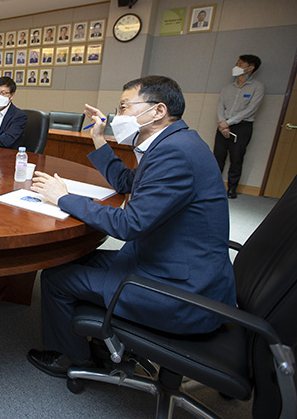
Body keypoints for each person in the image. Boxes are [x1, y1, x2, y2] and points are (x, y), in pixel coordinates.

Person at [26, 75, 235, 377]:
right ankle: (96, 338)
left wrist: (64, 199)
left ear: (158, 111)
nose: (117, 116)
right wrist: (99, 139)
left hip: (180, 289)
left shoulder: (174, 153)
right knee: (68, 261)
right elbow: (127, 182)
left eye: (124, 107)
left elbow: (129, 224)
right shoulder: (176, 142)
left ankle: (73, 359)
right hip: (169, 261)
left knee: (56, 279)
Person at [214, 54, 264, 198]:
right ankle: (214, 187)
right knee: (218, 157)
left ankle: (232, 189)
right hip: (223, 124)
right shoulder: (227, 87)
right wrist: (223, 122)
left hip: (242, 126)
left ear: (250, 68)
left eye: (241, 64)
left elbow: (251, 109)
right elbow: (220, 106)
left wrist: (228, 124)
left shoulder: (257, 87)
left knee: (236, 158)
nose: (237, 67)